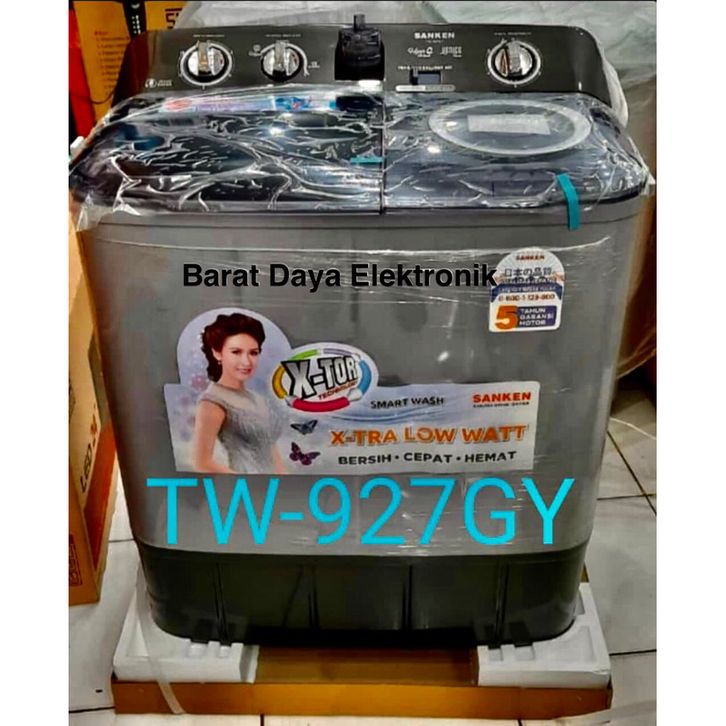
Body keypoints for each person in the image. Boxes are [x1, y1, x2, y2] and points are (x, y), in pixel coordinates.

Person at [192, 312, 286, 474]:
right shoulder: (212, 401)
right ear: (217, 353)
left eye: (253, 353)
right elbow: (202, 463)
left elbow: (272, 454)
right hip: (244, 485)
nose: (246, 361)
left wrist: (288, 483)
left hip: (274, 486)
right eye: (236, 352)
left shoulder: (259, 399)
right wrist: (249, 484)